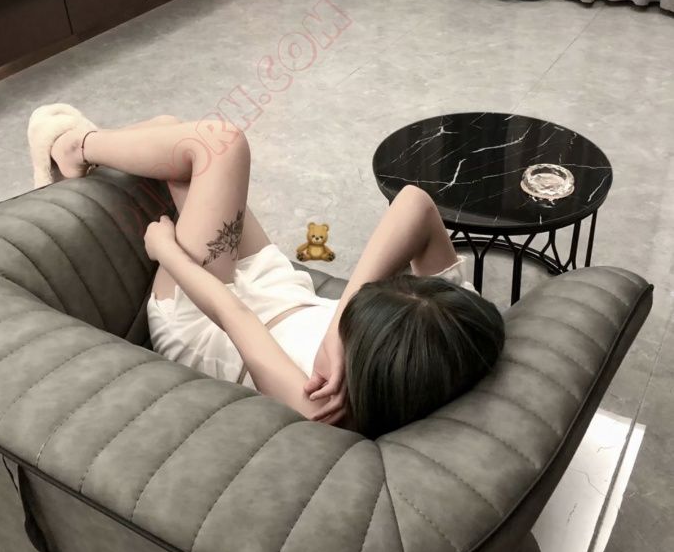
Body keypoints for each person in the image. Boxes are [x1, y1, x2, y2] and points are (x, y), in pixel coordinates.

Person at [31, 106, 504, 438]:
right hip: (281, 288)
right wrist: (340, 327)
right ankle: (116, 142)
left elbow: (232, 315)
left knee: (218, 145)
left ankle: (76, 145)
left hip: (201, 320)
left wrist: (166, 252)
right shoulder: (451, 336)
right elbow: (415, 204)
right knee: (177, 139)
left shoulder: (321, 404)